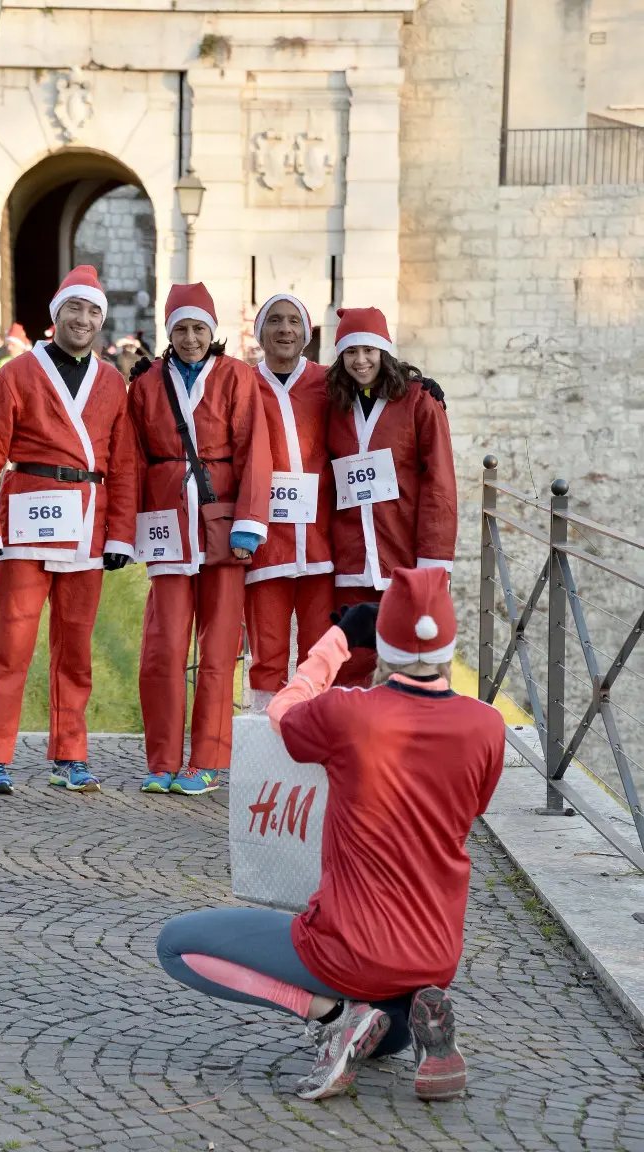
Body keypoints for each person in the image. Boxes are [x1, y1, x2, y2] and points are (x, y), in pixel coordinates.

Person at [157, 566, 505, 1102]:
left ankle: (335, 1013)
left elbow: (284, 708)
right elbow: (472, 805)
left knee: (176, 945)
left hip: (349, 948)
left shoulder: (351, 714)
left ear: (381, 641)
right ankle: (412, 1018)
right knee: (386, 1027)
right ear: (449, 645)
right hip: (435, 953)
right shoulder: (486, 725)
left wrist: (339, 639)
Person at [0, 266, 138, 796]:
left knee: (76, 648)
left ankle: (70, 753)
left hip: (87, 523)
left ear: (101, 321)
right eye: (74, 309)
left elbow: (124, 462)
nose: (83, 320)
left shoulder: (111, 381)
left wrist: (120, 534)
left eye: (93, 312)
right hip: (28, 519)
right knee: (10, 645)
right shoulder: (16, 374)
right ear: (55, 314)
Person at [128, 282, 272, 795]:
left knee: (218, 648)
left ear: (213, 332)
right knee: (163, 646)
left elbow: (257, 451)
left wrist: (250, 526)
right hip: (167, 522)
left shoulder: (236, 376)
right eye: (181, 329)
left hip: (222, 521)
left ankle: (207, 759)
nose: (190, 338)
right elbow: (131, 457)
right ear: (169, 332)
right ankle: (162, 759)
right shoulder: (147, 383)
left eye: (198, 328)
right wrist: (129, 528)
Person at [327, 307, 456, 687]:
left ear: (384, 351)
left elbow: (440, 484)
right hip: (351, 555)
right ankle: (350, 740)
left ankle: (409, 740)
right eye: (351, 352)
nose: (361, 360)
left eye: (369, 350)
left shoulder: (419, 401)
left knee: (409, 659)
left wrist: (434, 562)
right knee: (350, 660)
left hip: (403, 552)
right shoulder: (333, 401)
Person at [243, 295, 335, 711]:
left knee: (319, 643)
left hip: (320, 535)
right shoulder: (242, 383)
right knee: (268, 645)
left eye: (294, 321)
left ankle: (316, 728)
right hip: (265, 538)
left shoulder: (330, 382)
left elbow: (379, 390)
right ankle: (266, 728)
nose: (285, 329)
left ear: (307, 332)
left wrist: (418, 386)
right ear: (260, 331)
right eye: (275, 321)